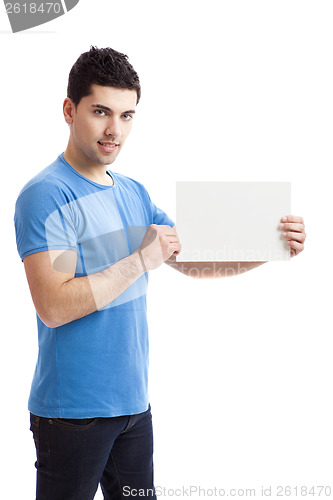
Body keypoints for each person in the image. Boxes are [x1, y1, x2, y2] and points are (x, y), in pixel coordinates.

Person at [14, 46, 306, 500]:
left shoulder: (133, 192)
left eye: (127, 116)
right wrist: (138, 261)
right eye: (101, 112)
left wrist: (270, 247)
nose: (115, 130)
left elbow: (189, 259)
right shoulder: (45, 195)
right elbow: (53, 305)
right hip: (71, 416)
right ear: (69, 110)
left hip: (134, 409)